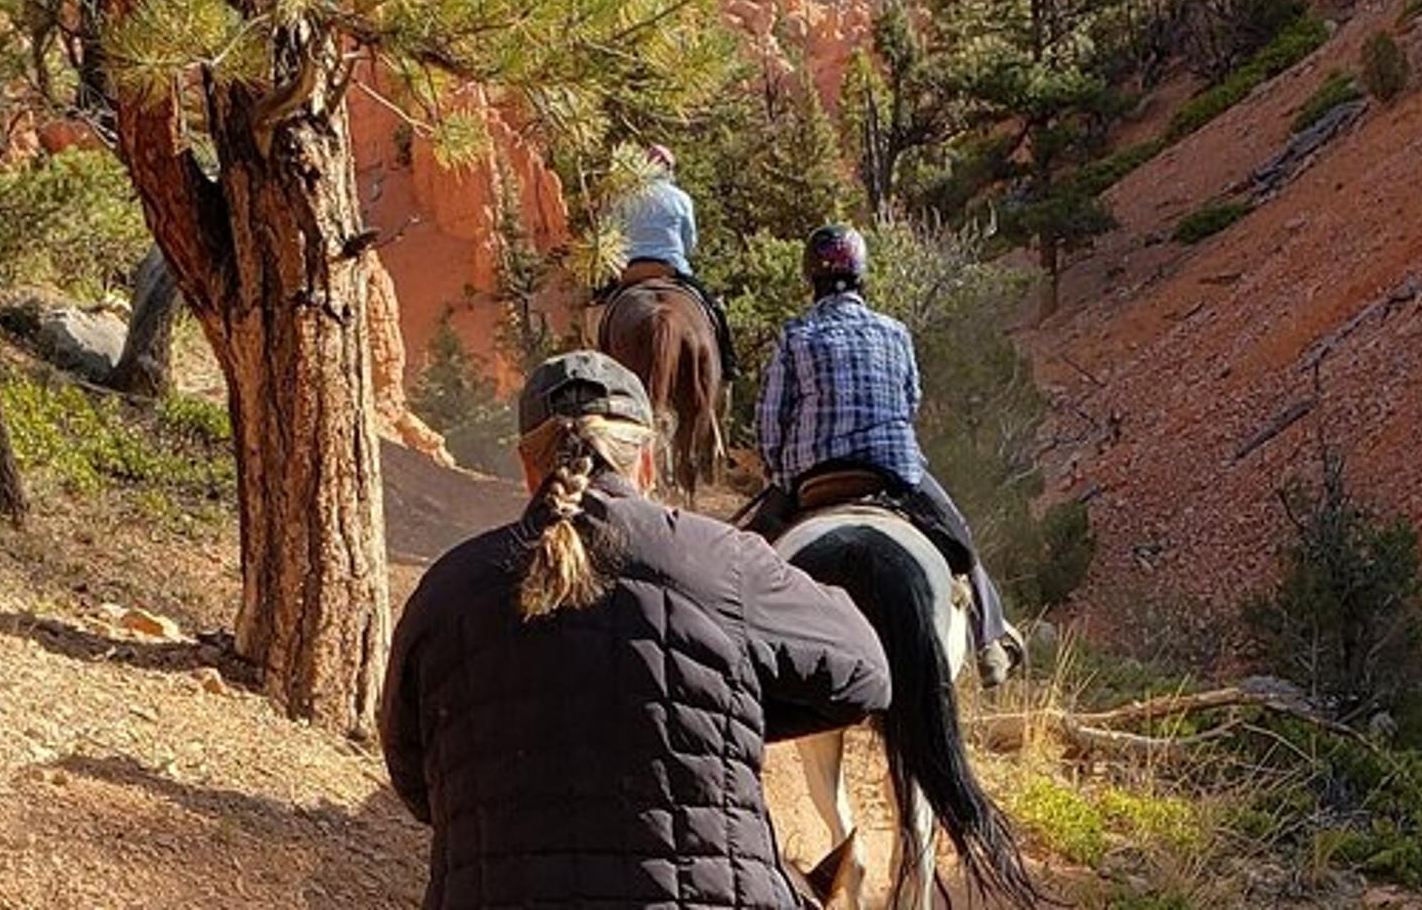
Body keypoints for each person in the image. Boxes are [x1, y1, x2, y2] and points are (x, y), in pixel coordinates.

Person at [380, 350, 891, 910]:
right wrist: (722, 714)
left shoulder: (445, 592)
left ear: (527, 467)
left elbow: (416, 782)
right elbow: (868, 676)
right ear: (647, 460)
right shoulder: (722, 561)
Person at [739, 224, 1028, 689]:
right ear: (861, 274)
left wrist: (778, 471)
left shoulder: (794, 336)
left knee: (742, 558)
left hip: (812, 476)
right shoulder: (895, 332)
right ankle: (990, 638)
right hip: (893, 471)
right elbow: (910, 401)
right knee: (958, 534)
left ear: (811, 277)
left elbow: (771, 421)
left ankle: (728, 649)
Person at [609, 144, 736, 375]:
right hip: (670, 269)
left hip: (631, 271)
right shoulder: (681, 199)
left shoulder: (624, 198)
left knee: (598, 308)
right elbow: (690, 244)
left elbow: (613, 237)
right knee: (714, 308)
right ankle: (729, 362)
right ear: (669, 170)